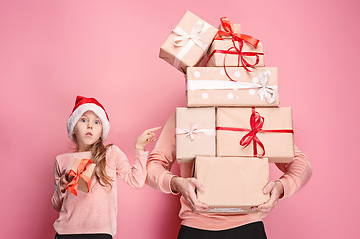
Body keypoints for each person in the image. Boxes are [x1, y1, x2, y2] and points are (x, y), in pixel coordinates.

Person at [146, 112, 312, 239]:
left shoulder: (257, 116)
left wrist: (280, 187)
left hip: (248, 228)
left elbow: (302, 164)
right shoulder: (186, 116)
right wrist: (176, 183)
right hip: (196, 229)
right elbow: (153, 166)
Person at [51, 95, 161, 239]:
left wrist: (139, 148)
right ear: (73, 128)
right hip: (66, 233)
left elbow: (137, 181)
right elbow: (57, 205)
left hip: (100, 233)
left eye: (97, 122)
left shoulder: (111, 153)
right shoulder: (62, 160)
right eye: (83, 120)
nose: (90, 125)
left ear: (102, 130)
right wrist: (62, 186)